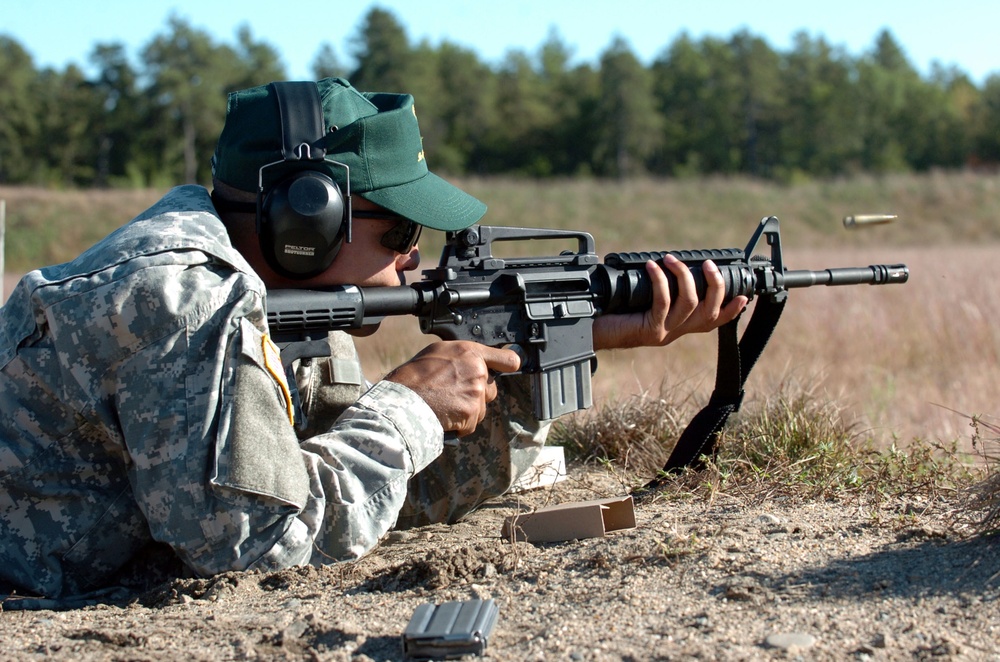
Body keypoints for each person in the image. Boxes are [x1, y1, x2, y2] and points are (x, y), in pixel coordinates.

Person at [0, 78, 746, 604]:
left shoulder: (290, 305)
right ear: (304, 218)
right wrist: (406, 406)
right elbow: (263, 550)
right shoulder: (187, 300)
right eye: (398, 232)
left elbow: (368, 503)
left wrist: (534, 357)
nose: (411, 259)